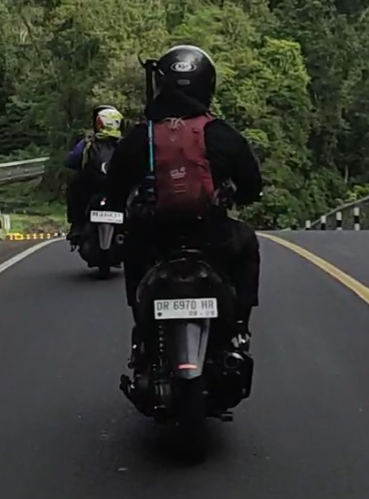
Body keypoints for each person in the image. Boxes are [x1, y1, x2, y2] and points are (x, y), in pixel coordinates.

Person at [104, 45, 262, 343]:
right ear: (208, 85)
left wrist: (124, 211)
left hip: (153, 237)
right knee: (247, 245)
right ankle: (239, 327)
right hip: (212, 236)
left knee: (132, 255)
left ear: (160, 84)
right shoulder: (222, 133)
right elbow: (251, 185)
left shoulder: (140, 136)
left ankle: (142, 333)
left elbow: (114, 188)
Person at [65, 106, 124, 242]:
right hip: (118, 189)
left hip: (93, 188)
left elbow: (71, 160)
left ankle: (76, 226)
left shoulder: (88, 143)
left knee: (74, 187)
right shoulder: (125, 142)